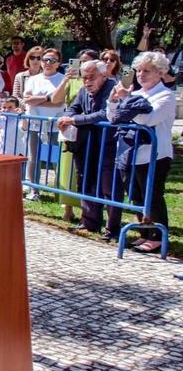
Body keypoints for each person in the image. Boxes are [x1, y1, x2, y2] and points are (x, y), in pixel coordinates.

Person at [108, 51, 176, 254]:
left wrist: (127, 100)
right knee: (136, 195)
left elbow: (148, 119)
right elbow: (115, 118)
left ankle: (157, 235)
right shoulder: (137, 94)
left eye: (147, 71)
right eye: (139, 70)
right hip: (132, 153)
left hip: (156, 154)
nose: (141, 74)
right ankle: (144, 232)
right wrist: (113, 101)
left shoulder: (166, 95)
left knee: (152, 195)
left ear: (160, 72)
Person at [59, 60, 119, 239]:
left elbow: (105, 114)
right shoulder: (84, 90)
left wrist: (75, 120)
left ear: (103, 75)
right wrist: (66, 118)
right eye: (84, 78)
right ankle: (89, 222)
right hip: (86, 143)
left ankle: (112, 229)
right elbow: (73, 108)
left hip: (108, 144)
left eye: (91, 77)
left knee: (109, 187)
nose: (87, 82)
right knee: (85, 180)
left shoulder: (112, 89)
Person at [50, 50, 100, 223]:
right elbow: (56, 99)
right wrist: (66, 79)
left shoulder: (99, 82)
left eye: (88, 61)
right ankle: (68, 208)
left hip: (90, 130)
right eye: (81, 61)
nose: (83, 64)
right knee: (68, 170)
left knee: (85, 172)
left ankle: (88, 211)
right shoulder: (72, 80)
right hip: (71, 130)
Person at [22, 48, 66, 200]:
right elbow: (26, 99)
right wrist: (49, 98)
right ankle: (34, 190)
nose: (48, 63)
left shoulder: (62, 79)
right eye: (45, 60)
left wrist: (40, 99)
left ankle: (59, 193)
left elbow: (59, 102)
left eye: (52, 60)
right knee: (33, 158)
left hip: (54, 125)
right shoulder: (34, 79)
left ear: (58, 63)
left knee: (55, 159)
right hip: (35, 123)